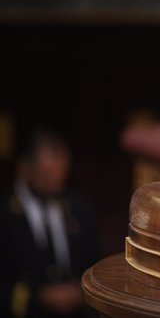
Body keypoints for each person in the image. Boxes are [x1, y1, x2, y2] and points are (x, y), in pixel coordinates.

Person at [0, 129, 99, 318]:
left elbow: (94, 265)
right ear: (24, 168)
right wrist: (40, 299)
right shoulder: (5, 215)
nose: (56, 184)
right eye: (47, 175)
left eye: (61, 176)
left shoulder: (79, 210)